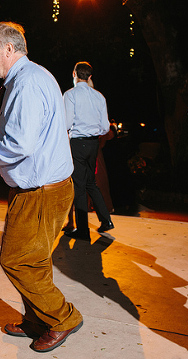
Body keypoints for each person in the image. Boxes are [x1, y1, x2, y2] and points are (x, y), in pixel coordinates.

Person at [0, 21, 84, 353]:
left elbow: (18, 144)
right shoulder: (31, 77)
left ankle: (63, 317)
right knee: (34, 261)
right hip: (46, 187)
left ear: (9, 49)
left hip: (41, 192)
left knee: (16, 261)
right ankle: (37, 320)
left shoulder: (27, 84)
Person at [64, 61, 113, 239]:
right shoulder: (99, 96)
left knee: (78, 186)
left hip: (77, 143)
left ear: (74, 74)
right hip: (93, 144)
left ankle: (83, 230)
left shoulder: (70, 95)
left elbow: (67, 123)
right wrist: (94, 133)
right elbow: (105, 127)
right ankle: (106, 220)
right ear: (90, 77)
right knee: (91, 182)